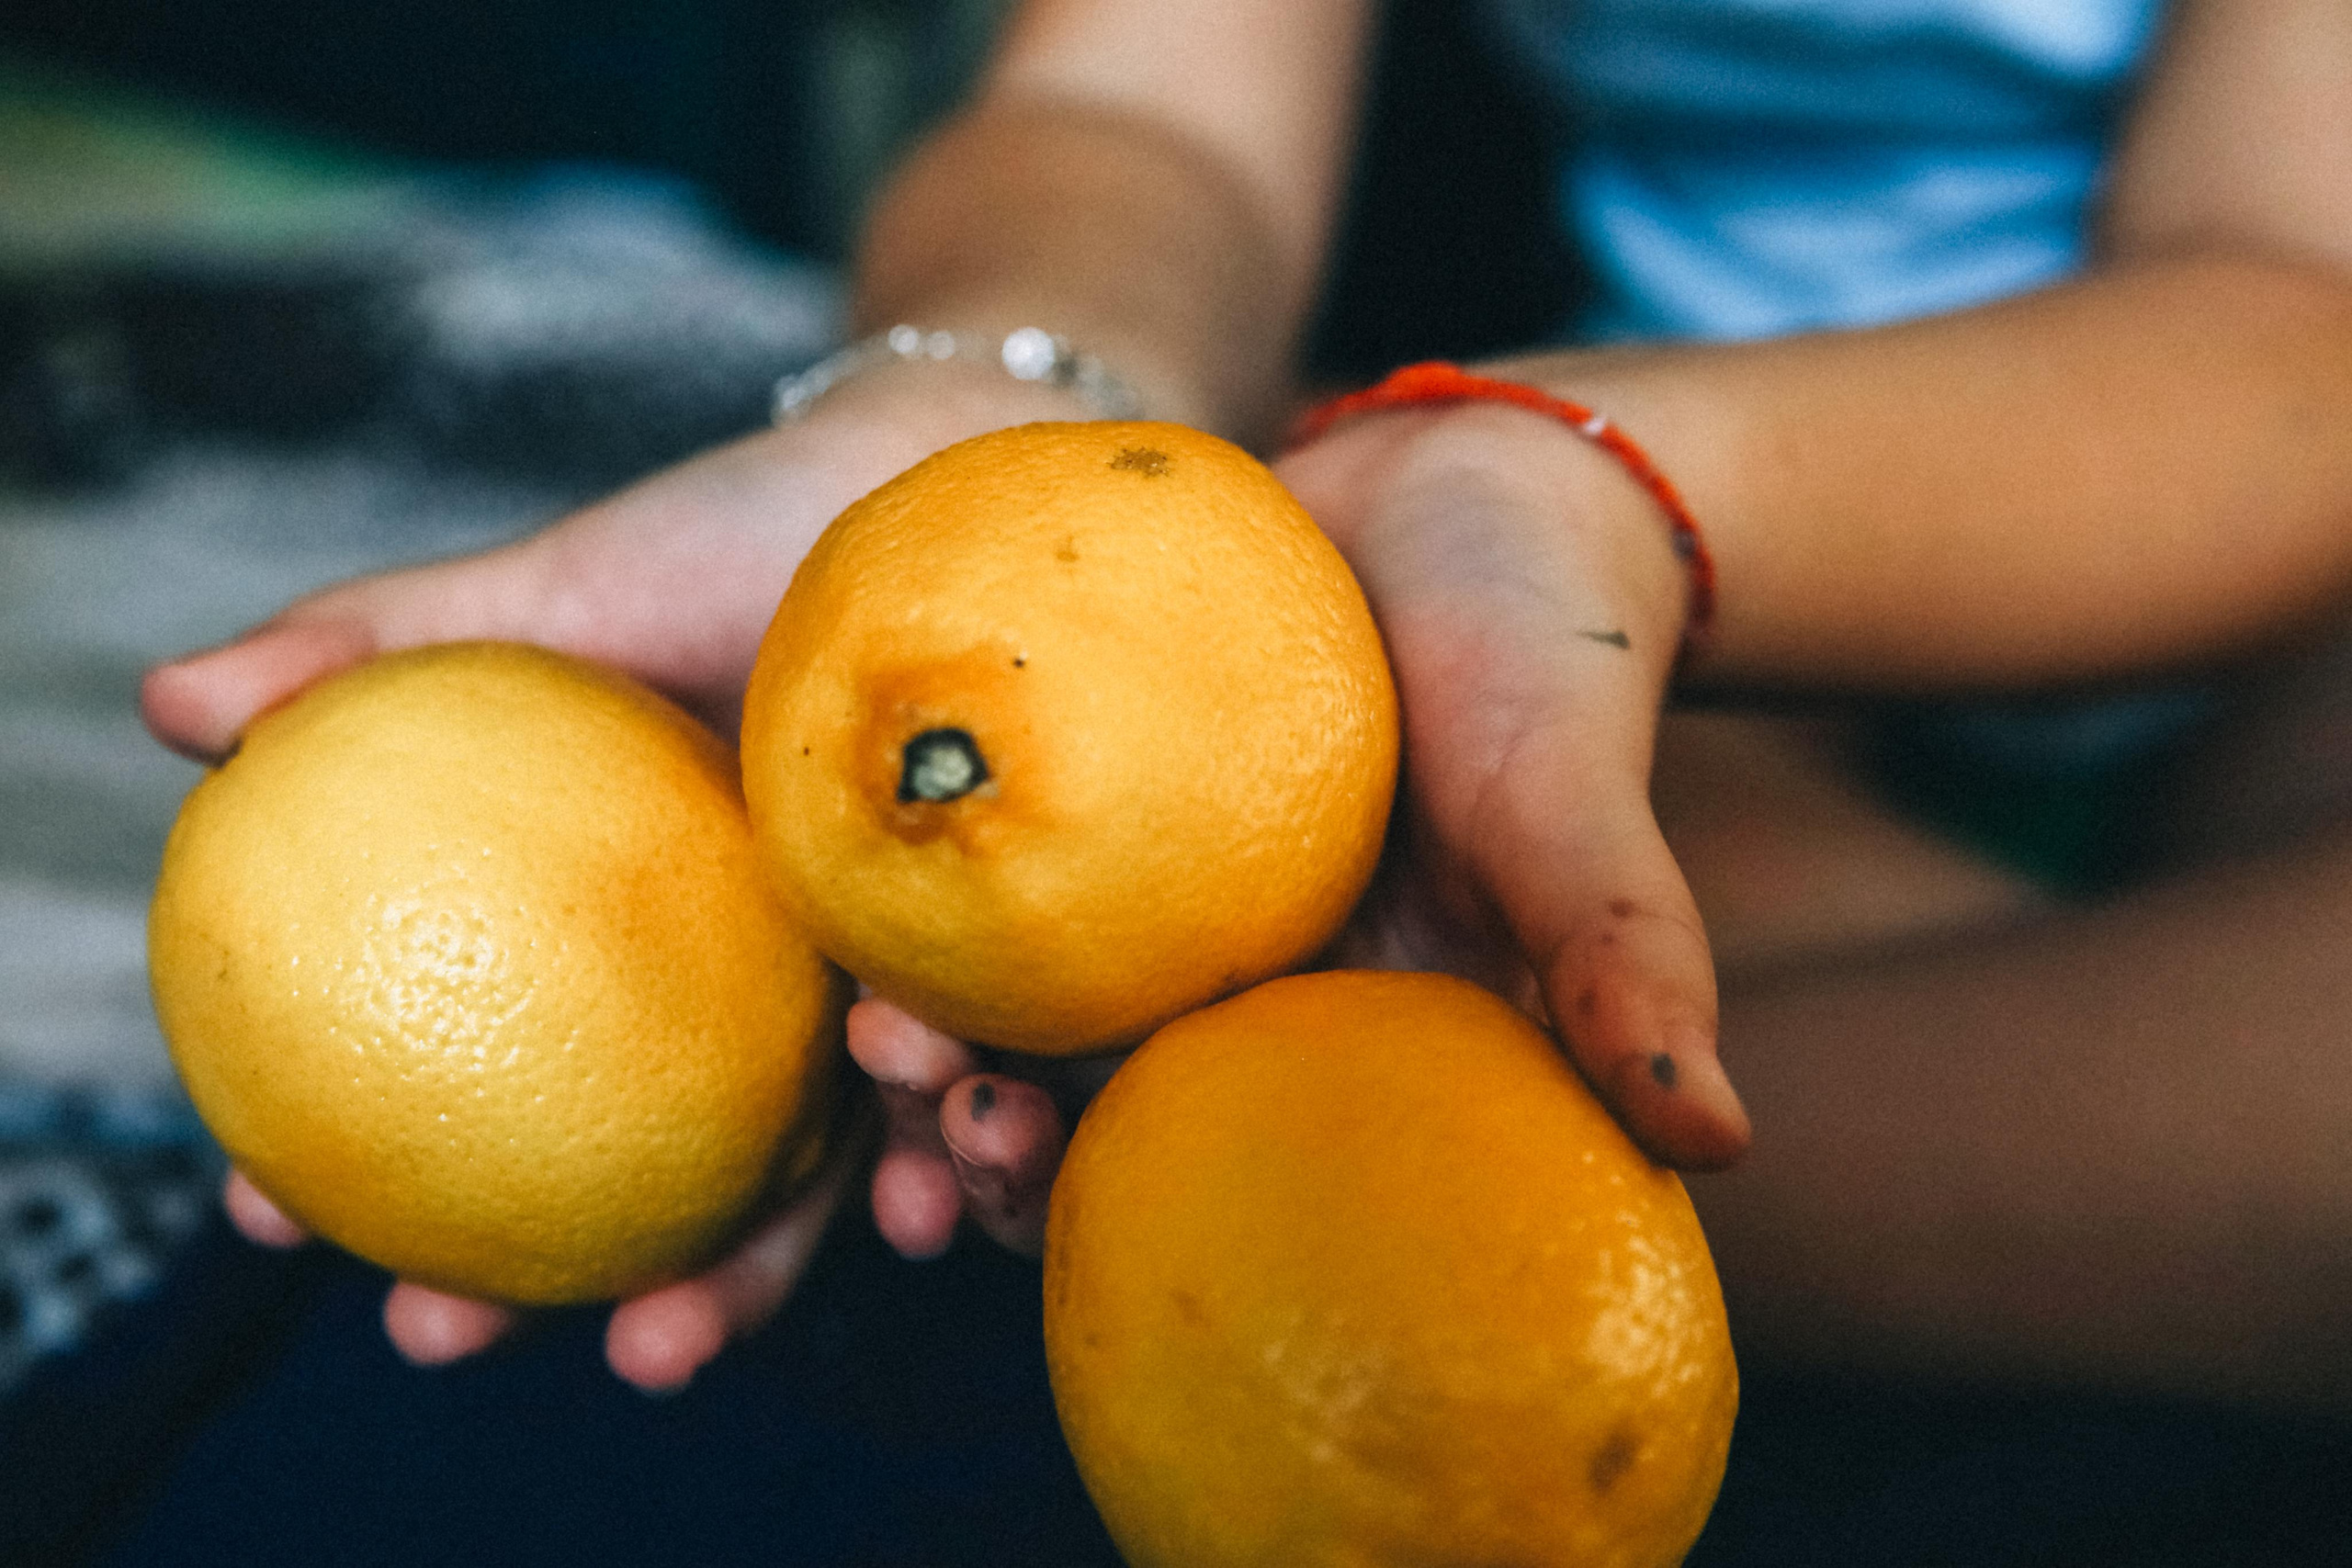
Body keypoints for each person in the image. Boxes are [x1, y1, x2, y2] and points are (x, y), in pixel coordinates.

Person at [141, 0, 2352, 1407]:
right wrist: (1001, 386)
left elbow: (2295, 330)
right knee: (1399, 897)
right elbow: (1131, 107)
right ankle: (1319, 1206)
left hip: (2175, 508)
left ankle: (1276, 1227)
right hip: (1661, 616)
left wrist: (1594, 487)